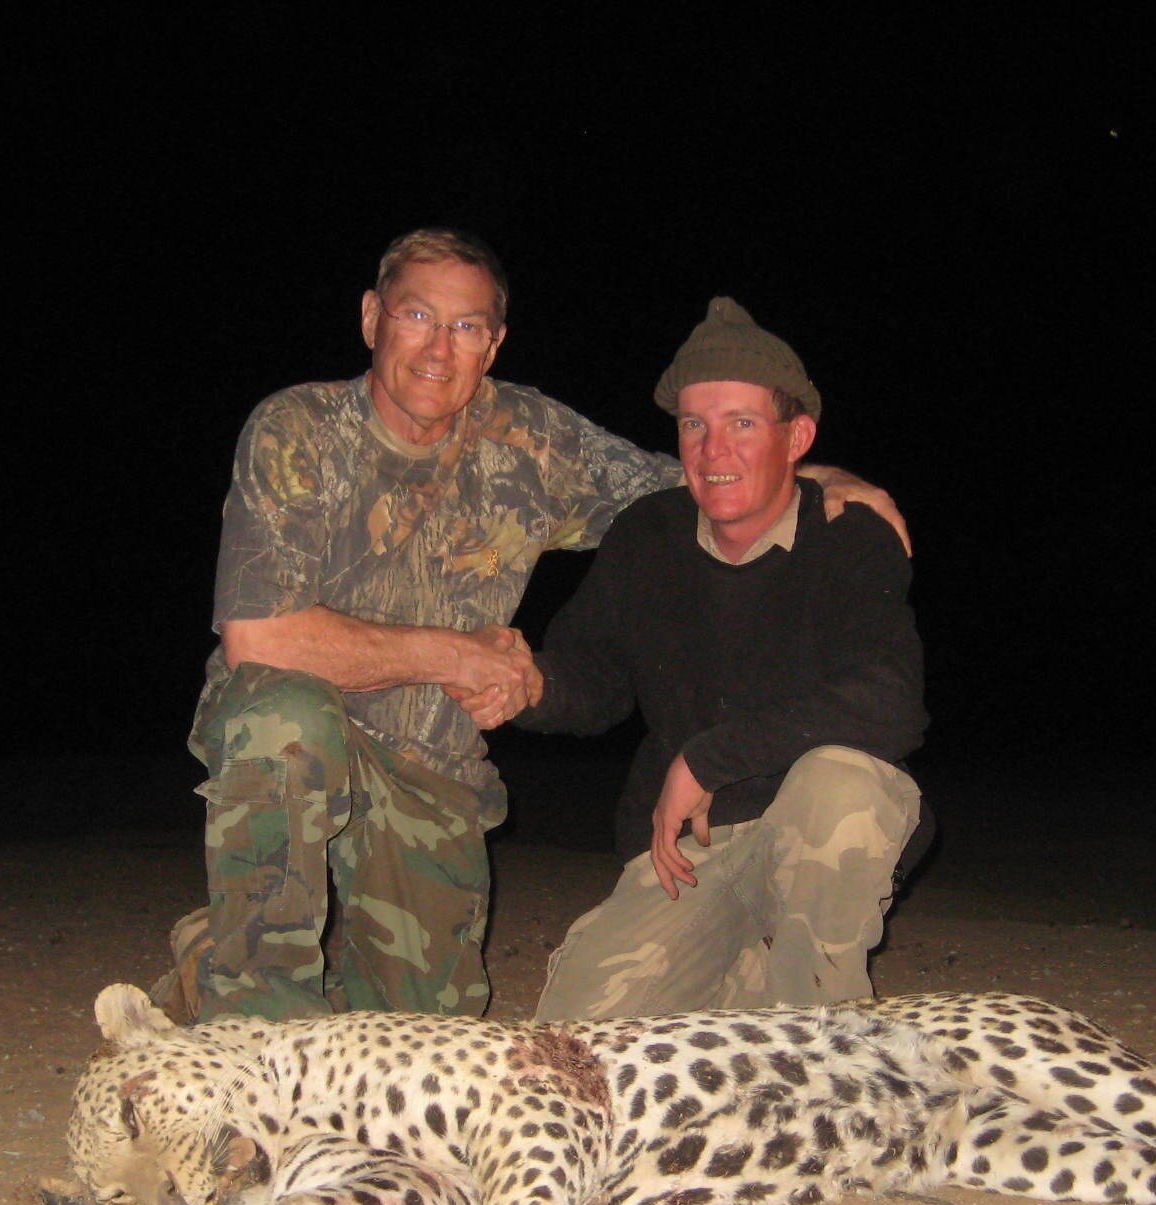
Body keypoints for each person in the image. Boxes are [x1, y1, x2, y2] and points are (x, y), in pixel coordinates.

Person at [177, 232, 905, 1023]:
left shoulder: (531, 439)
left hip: (431, 768)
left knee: (433, 1045)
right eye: (417, 315)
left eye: (465, 327)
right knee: (282, 717)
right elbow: (261, 638)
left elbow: (702, 482)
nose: (437, 347)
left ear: (493, 345)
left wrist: (825, 475)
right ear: (370, 319)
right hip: (302, 737)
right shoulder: (296, 429)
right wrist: (454, 653)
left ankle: (208, 963)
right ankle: (251, 1026)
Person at [509, 298, 928, 1022]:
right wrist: (528, 683)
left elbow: (890, 700)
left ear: (797, 436)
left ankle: (821, 1048)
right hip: (691, 850)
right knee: (572, 1042)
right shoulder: (648, 536)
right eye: (694, 426)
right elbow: (597, 676)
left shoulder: (848, 536)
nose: (713, 450)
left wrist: (710, 759)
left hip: (813, 836)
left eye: (741, 423)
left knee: (841, 781)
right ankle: (742, 986)